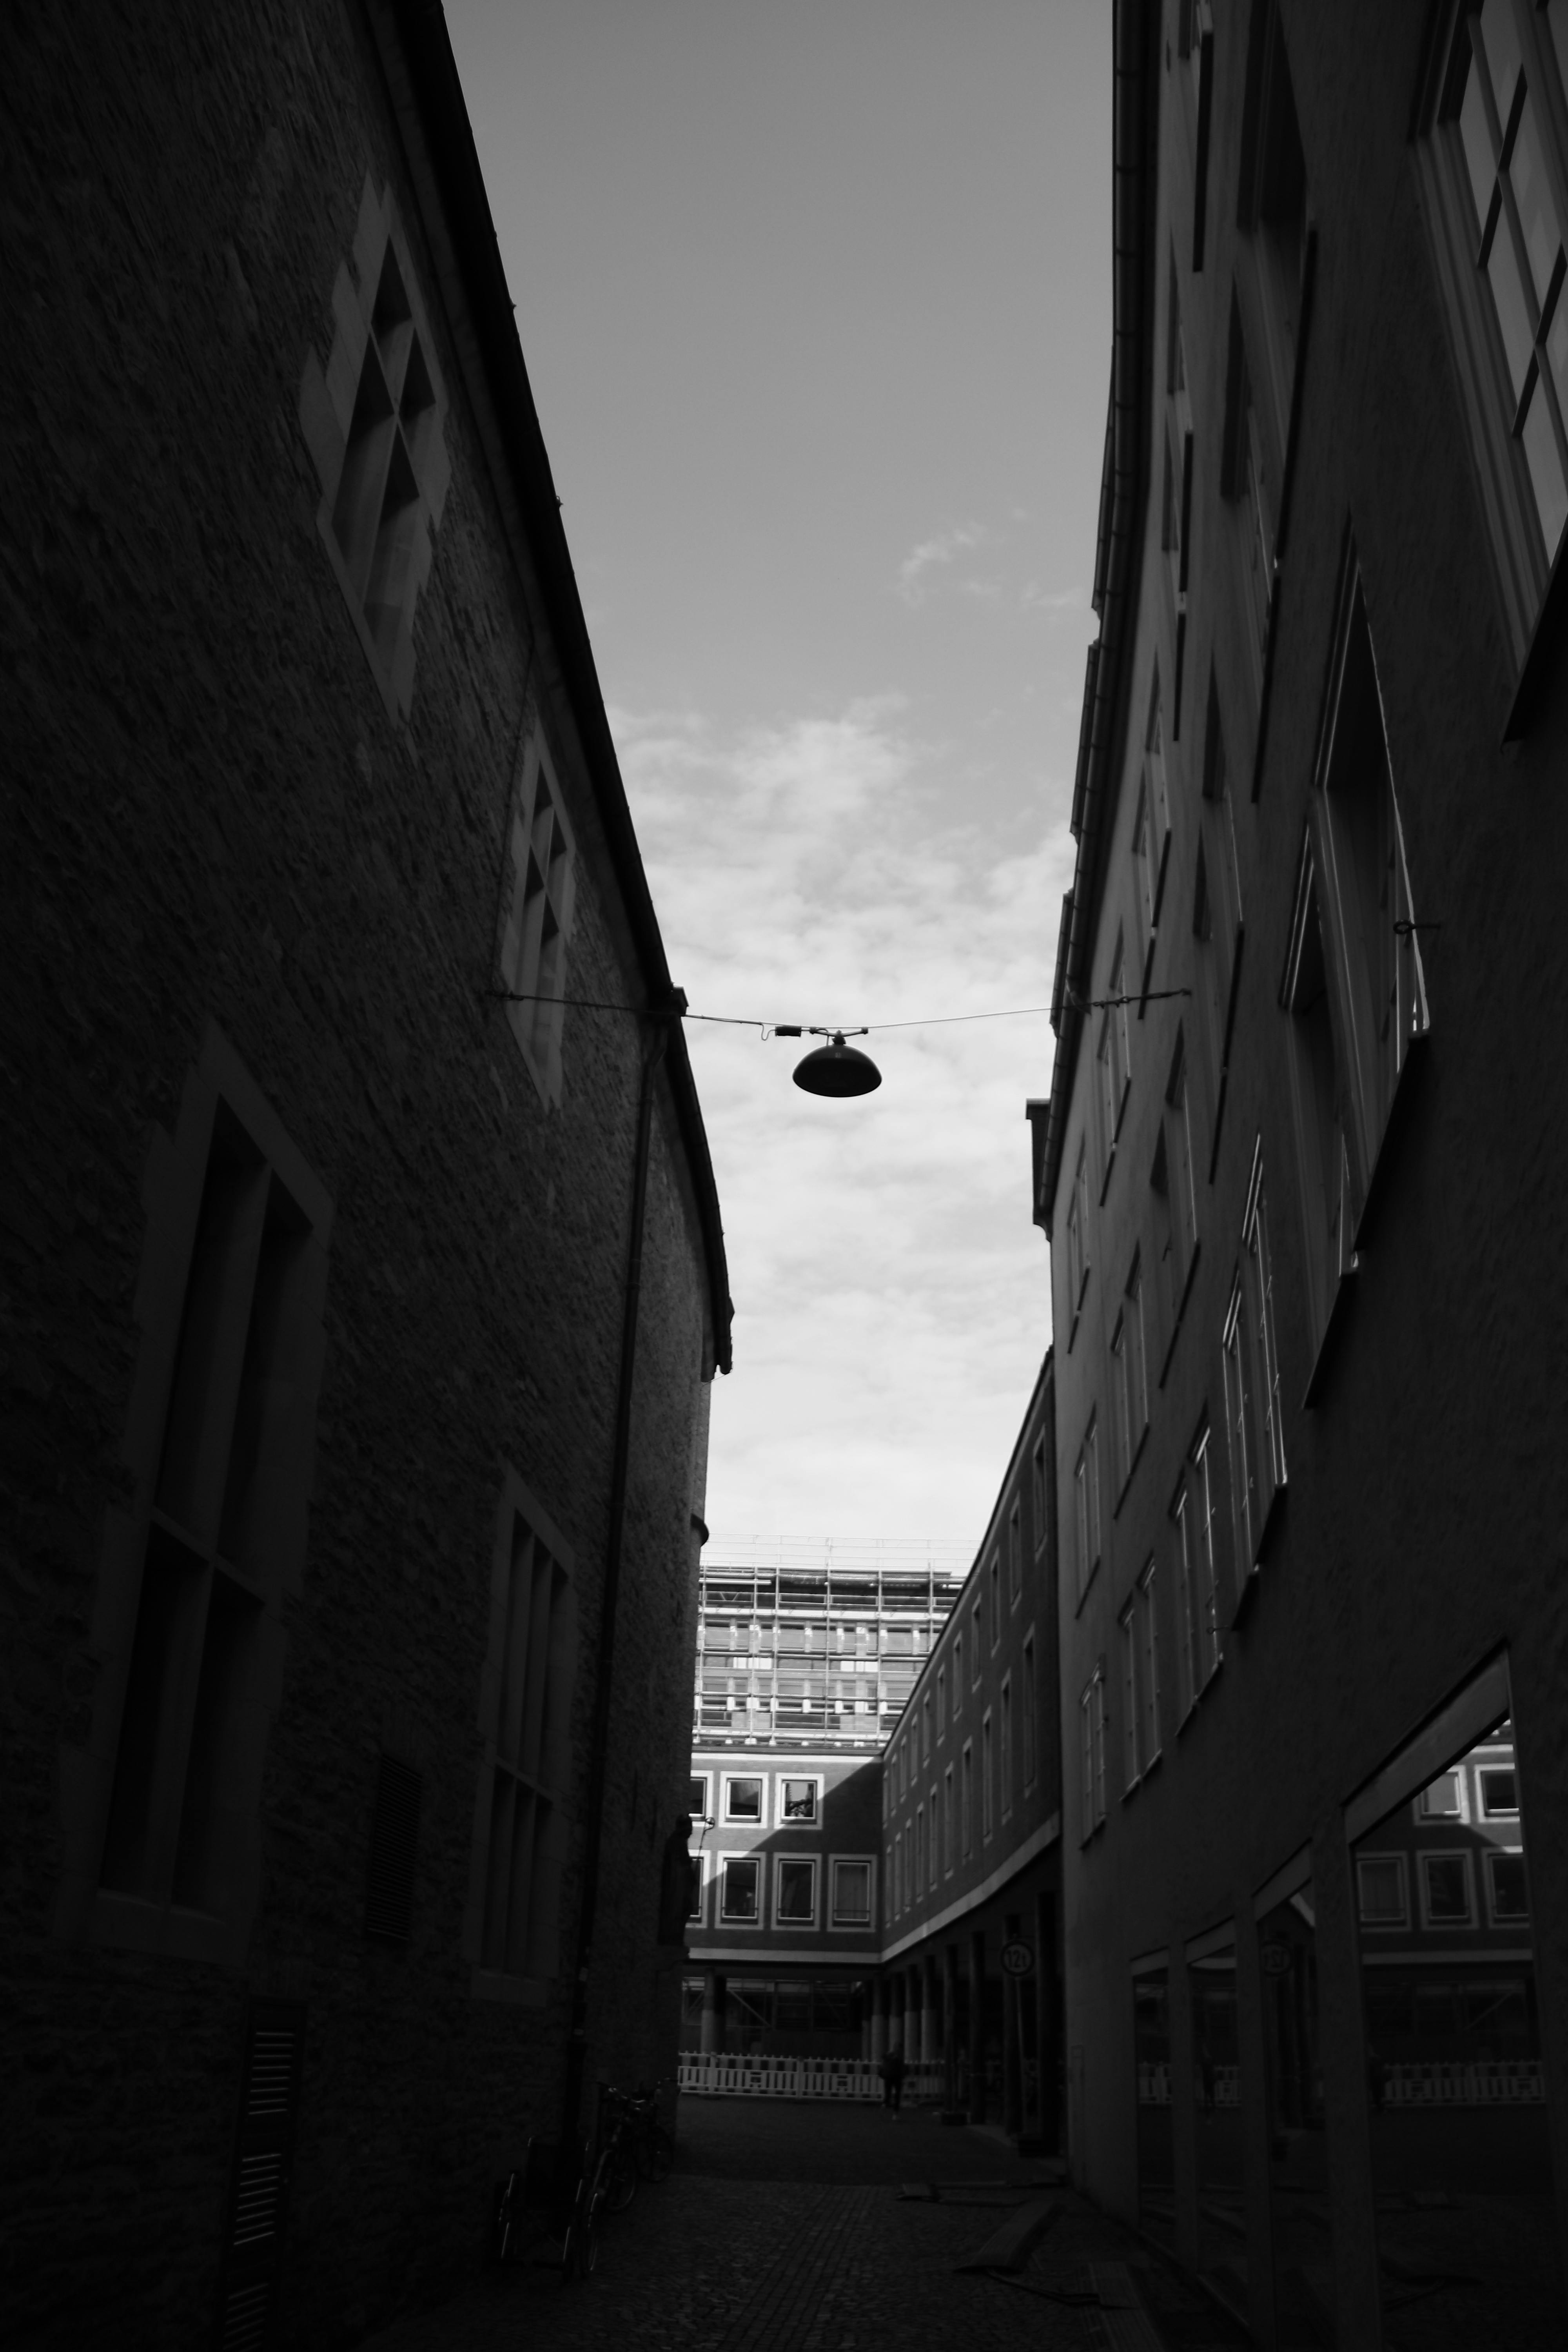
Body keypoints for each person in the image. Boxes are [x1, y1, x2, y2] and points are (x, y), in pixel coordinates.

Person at [879, 2036, 906, 2116]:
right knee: (897, 2095)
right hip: (897, 2077)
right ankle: (895, 2112)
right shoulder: (900, 2056)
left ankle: (886, 2103)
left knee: (888, 2092)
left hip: (889, 2076)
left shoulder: (890, 2054)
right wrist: (903, 2076)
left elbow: (884, 2058)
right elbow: (902, 2067)